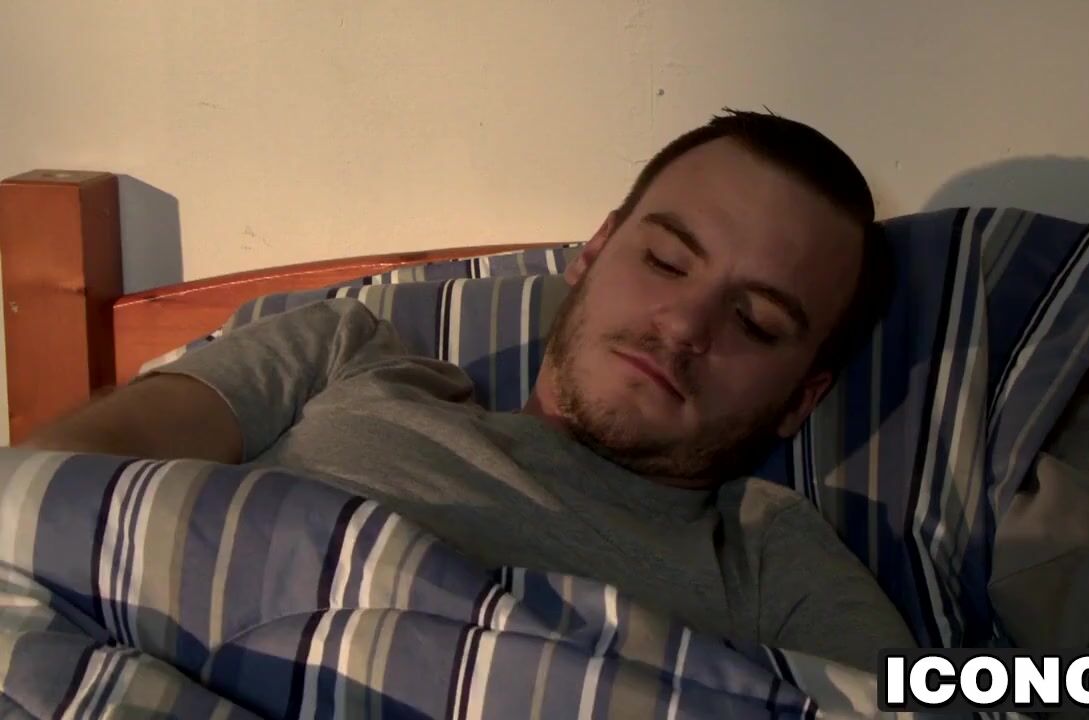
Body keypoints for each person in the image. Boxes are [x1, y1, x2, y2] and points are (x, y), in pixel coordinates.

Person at [21, 109, 915, 671]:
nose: (684, 324)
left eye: (755, 321)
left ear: (801, 400)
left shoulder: (763, 552)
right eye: (666, 261)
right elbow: (50, 488)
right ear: (595, 250)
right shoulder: (343, 353)